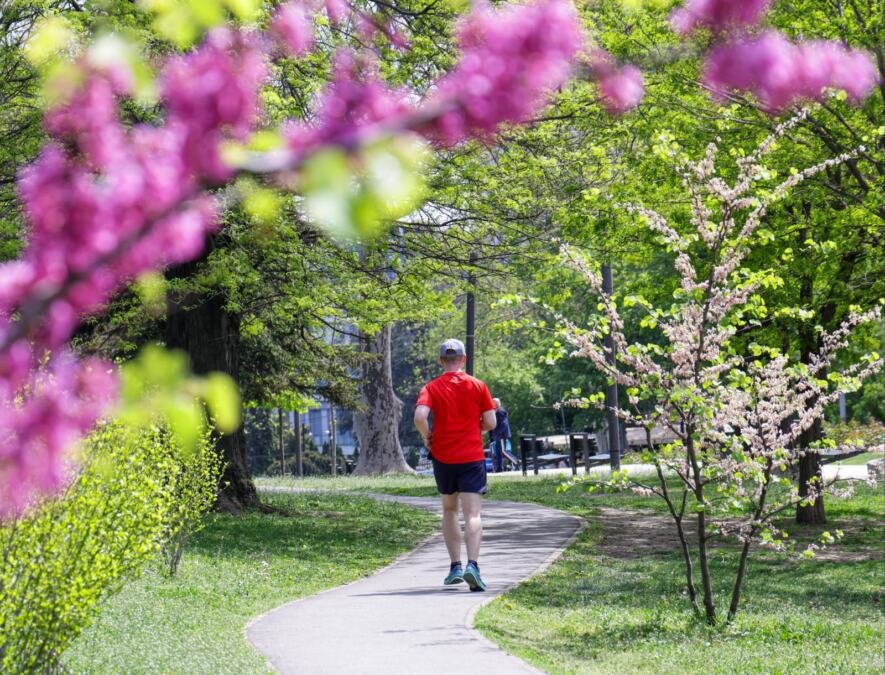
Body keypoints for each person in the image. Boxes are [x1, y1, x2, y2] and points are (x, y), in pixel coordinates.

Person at [414, 338, 496, 592]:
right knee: (473, 513)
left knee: (449, 510)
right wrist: (477, 427)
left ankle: (455, 567)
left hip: (444, 456)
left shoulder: (431, 387)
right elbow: (491, 422)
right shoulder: (478, 385)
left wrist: (428, 437)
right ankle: (473, 565)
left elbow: (419, 416)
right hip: (471, 455)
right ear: (463, 359)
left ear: (442, 361)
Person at [489, 397, 511, 473]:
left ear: (496, 403)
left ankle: (516, 462)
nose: (491, 403)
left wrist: (500, 434)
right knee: (498, 452)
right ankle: (499, 468)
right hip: (497, 436)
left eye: (493, 402)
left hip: (501, 435)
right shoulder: (496, 411)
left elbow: (503, 424)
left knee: (504, 451)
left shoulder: (500, 411)